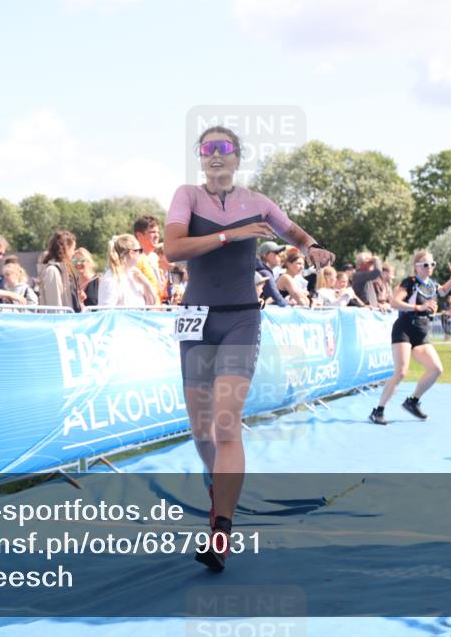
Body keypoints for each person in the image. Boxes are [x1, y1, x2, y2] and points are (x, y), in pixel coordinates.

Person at [164, 125, 334, 572]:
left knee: (225, 424)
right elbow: (173, 250)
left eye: (224, 149)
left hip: (241, 318)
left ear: (237, 157)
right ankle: (217, 485)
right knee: (201, 428)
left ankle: (221, 529)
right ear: (201, 158)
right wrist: (230, 236)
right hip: (196, 320)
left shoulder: (257, 202)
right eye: (207, 149)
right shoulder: (188, 196)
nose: (215, 155)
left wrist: (313, 247)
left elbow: (294, 232)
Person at [369, 250, 451, 425]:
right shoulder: (410, 283)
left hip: (421, 332)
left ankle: (412, 401)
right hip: (403, 329)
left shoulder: (432, 285)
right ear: (416, 267)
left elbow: (442, 292)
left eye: (432, 264)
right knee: (401, 372)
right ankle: (378, 410)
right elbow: (394, 302)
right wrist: (420, 307)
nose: (429, 268)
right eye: (425, 265)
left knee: (436, 369)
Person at [97, 234, 157, 307]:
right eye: (140, 250)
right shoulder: (111, 279)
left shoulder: (135, 274)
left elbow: (150, 304)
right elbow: (105, 313)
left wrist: (146, 284)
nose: (141, 254)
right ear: (131, 253)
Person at [38, 230, 83, 311]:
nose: (73, 253)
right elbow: (55, 306)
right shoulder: (52, 271)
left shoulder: (64, 270)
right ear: (66, 248)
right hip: (61, 321)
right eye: (73, 249)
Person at [134, 215, 165, 301]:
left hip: (159, 310)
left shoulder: (155, 257)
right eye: (152, 232)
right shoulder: (134, 259)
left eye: (158, 232)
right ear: (139, 235)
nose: (157, 236)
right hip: (144, 312)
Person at [256, 241, 289, 307]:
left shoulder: (260, 271)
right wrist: (289, 302)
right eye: (276, 252)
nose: (279, 255)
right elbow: (279, 300)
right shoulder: (265, 273)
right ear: (265, 255)